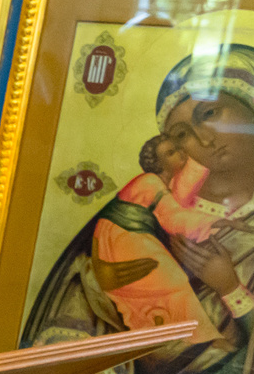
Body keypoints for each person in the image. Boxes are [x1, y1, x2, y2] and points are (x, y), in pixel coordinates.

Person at [23, 42, 254, 374]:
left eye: (211, 112)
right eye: (182, 134)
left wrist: (231, 288)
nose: (203, 139)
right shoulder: (138, 212)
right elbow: (70, 322)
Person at [87, 126, 221, 341]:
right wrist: (217, 222)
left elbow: (187, 188)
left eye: (178, 149)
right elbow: (174, 219)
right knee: (174, 281)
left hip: (124, 239)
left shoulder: (167, 183)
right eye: (170, 153)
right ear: (158, 163)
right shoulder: (150, 181)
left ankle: (181, 335)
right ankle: (198, 338)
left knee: (162, 286)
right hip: (122, 238)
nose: (180, 154)